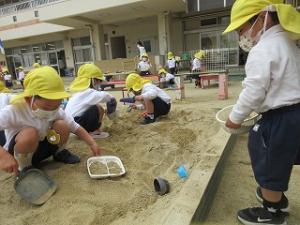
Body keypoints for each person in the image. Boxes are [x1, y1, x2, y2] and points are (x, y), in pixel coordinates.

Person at [224, 0, 300, 224]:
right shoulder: (289, 43)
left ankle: (272, 213)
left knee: (268, 161)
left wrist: (234, 118)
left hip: (279, 118)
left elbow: (254, 92)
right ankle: (276, 199)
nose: (242, 36)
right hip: (296, 113)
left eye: (241, 29)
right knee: (282, 158)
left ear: (261, 18)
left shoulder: (262, 50)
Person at [0, 66, 103, 176]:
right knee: (30, 133)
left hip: (42, 150)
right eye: (47, 107)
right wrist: (3, 156)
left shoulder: (56, 111)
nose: (52, 111)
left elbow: (75, 126)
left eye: (57, 106)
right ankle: (25, 167)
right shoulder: (14, 111)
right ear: (29, 99)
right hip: (20, 154)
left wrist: (92, 143)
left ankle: (59, 152)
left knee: (62, 125)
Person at [65, 64, 116, 139]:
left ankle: (90, 131)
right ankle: (93, 131)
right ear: (93, 80)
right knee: (97, 108)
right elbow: (105, 96)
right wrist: (113, 101)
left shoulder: (79, 92)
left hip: (71, 124)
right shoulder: (88, 92)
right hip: (77, 123)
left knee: (98, 107)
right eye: (99, 81)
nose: (99, 83)